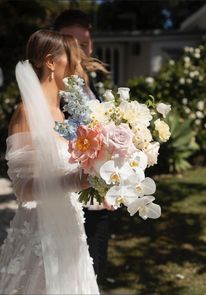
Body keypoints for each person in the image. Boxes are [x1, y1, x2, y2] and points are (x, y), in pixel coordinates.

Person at [0, 29, 109, 295]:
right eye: (72, 58)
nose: (78, 67)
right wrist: (73, 180)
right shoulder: (26, 113)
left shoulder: (62, 114)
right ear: (50, 62)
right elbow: (24, 188)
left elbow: (66, 170)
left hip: (71, 228)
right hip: (41, 232)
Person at [53, 9, 110, 282]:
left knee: (95, 272)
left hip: (99, 201)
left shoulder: (92, 84)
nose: (78, 51)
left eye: (83, 44)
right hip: (69, 200)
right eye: (69, 42)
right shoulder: (51, 91)